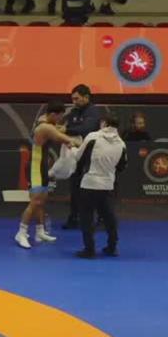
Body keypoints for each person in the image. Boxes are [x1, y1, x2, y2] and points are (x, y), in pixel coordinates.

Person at [16, 103, 80, 249]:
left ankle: (40, 232)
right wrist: (80, 142)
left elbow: (59, 129)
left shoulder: (45, 121)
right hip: (35, 168)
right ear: (52, 114)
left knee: (42, 201)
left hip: (42, 166)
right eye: (59, 117)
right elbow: (65, 138)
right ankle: (21, 232)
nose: (60, 120)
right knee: (35, 202)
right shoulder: (45, 127)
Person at [74, 114, 127, 258]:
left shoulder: (92, 137)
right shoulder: (122, 144)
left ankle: (89, 250)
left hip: (89, 183)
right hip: (107, 185)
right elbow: (121, 166)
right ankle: (112, 247)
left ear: (104, 123)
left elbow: (79, 157)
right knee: (109, 217)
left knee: (87, 218)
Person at [62, 84, 102, 229]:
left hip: (92, 157)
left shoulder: (93, 112)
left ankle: (101, 219)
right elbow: (64, 126)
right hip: (77, 157)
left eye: (77, 99)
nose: (74, 102)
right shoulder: (74, 112)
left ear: (86, 97)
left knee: (93, 190)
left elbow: (87, 129)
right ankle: (74, 217)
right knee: (75, 187)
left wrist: (66, 129)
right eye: (72, 99)